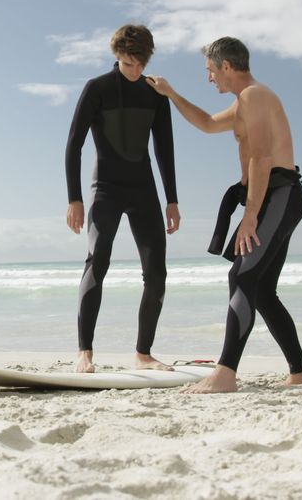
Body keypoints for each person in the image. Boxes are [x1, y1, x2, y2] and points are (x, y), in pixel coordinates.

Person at [146, 37, 302, 392]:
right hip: (274, 197)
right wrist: (172, 95)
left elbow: (263, 157)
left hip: (277, 195)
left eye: (210, 71)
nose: (209, 79)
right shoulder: (244, 103)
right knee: (262, 290)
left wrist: (251, 215)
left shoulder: (255, 95)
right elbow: (206, 123)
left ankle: (225, 373)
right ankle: (300, 373)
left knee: (241, 277)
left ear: (226, 66)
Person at [64, 24, 181, 373]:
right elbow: (74, 145)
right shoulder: (97, 88)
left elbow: (165, 148)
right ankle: (85, 351)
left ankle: (143, 353)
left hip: (143, 189)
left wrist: (171, 199)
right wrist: (74, 198)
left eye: (140, 64)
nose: (135, 71)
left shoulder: (155, 93)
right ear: (117, 56)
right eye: (129, 64)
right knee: (97, 261)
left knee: (157, 272)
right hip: (106, 190)